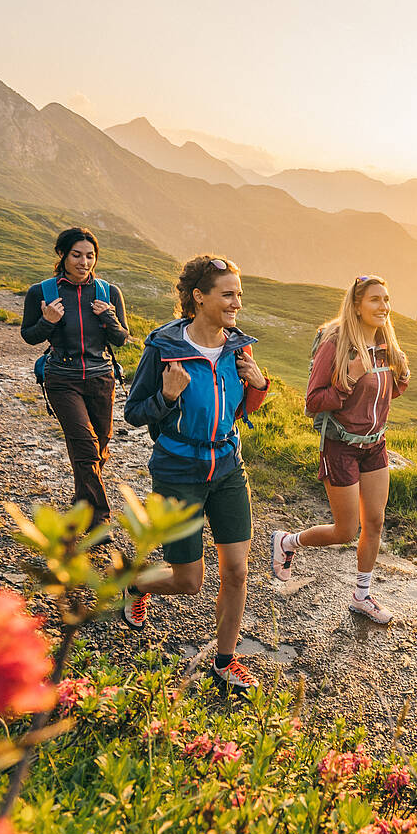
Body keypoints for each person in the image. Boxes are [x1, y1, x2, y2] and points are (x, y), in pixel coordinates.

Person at [121, 254, 271, 694]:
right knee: (189, 581)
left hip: (227, 467)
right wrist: (167, 398)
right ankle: (134, 584)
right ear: (199, 297)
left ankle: (225, 661)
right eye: (228, 294)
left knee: (237, 571)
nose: (236, 303)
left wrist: (258, 385)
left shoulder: (238, 348)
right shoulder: (164, 348)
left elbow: (241, 409)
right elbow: (134, 412)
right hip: (178, 471)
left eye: (239, 295)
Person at [269, 275, 409, 624]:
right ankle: (287, 542)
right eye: (375, 300)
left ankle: (362, 596)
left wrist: (402, 375)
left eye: (387, 299)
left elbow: (383, 396)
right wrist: (347, 378)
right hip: (341, 447)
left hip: (375, 445)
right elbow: (314, 401)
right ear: (357, 305)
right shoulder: (336, 343)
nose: (384, 307)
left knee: (374, 522)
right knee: (346, 531)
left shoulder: (384, 343)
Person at [20, 227, 129, 540]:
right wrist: (47, 322)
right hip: (62, 378)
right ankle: (99, 521)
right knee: (85, 444)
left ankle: (81, 505)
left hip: (101, 378)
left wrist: (109, 318)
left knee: (98, 449)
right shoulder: (41, 292)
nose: (84, 262)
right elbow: (29, 336)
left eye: (90, 256)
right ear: (63, 256)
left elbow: (122, 339)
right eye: (77, 255)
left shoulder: (109, 292)